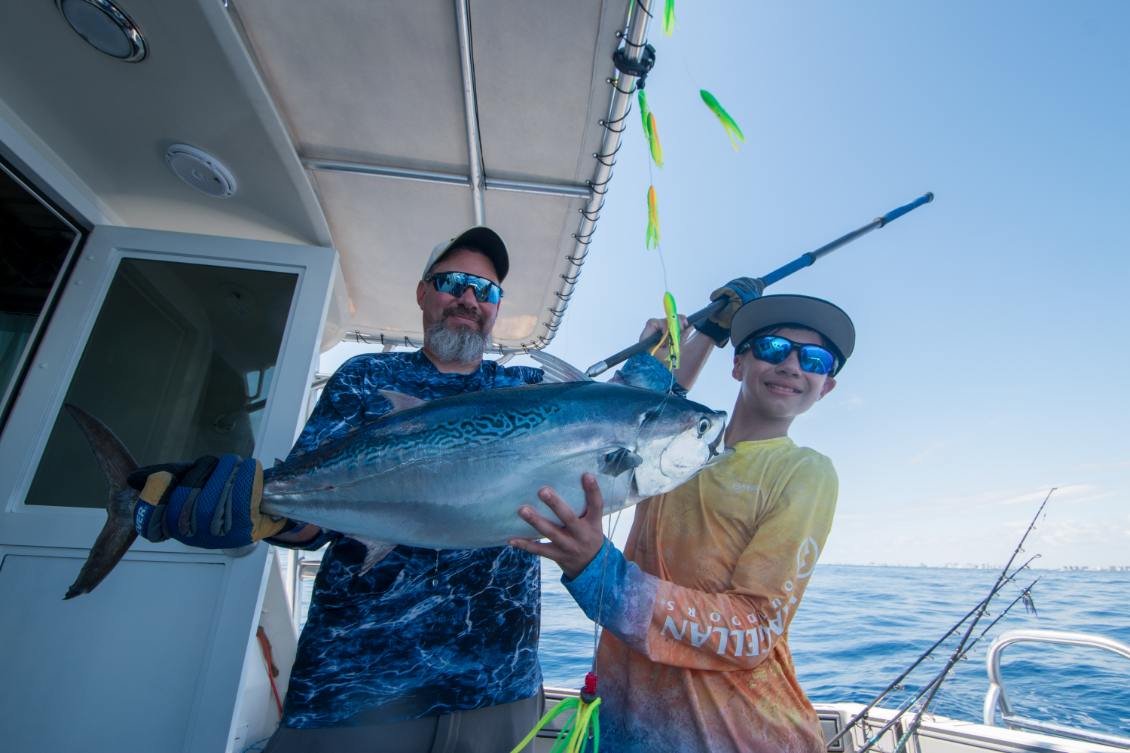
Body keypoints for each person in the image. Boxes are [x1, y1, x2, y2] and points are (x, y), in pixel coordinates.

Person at [130, 227, 547, 753]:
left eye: (485, 290)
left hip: (498, 684)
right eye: (453, 283)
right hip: (357, 687)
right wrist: (257, 510)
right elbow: (311, 522)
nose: (468, 298)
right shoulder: (366, 377)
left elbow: (628, 418)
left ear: (496, 307)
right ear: (423, 292)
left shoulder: (526, 390)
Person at [511, 291, 855, 753]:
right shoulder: (677, 452)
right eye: (773, 348)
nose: (792, 366)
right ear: (738, 365)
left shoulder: (803, 472)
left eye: (814, 360)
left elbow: (752, 630)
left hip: (742, 735)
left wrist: (601, 572)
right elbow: (637, 416)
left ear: (826, 385)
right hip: (622, 728)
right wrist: (703, 335)